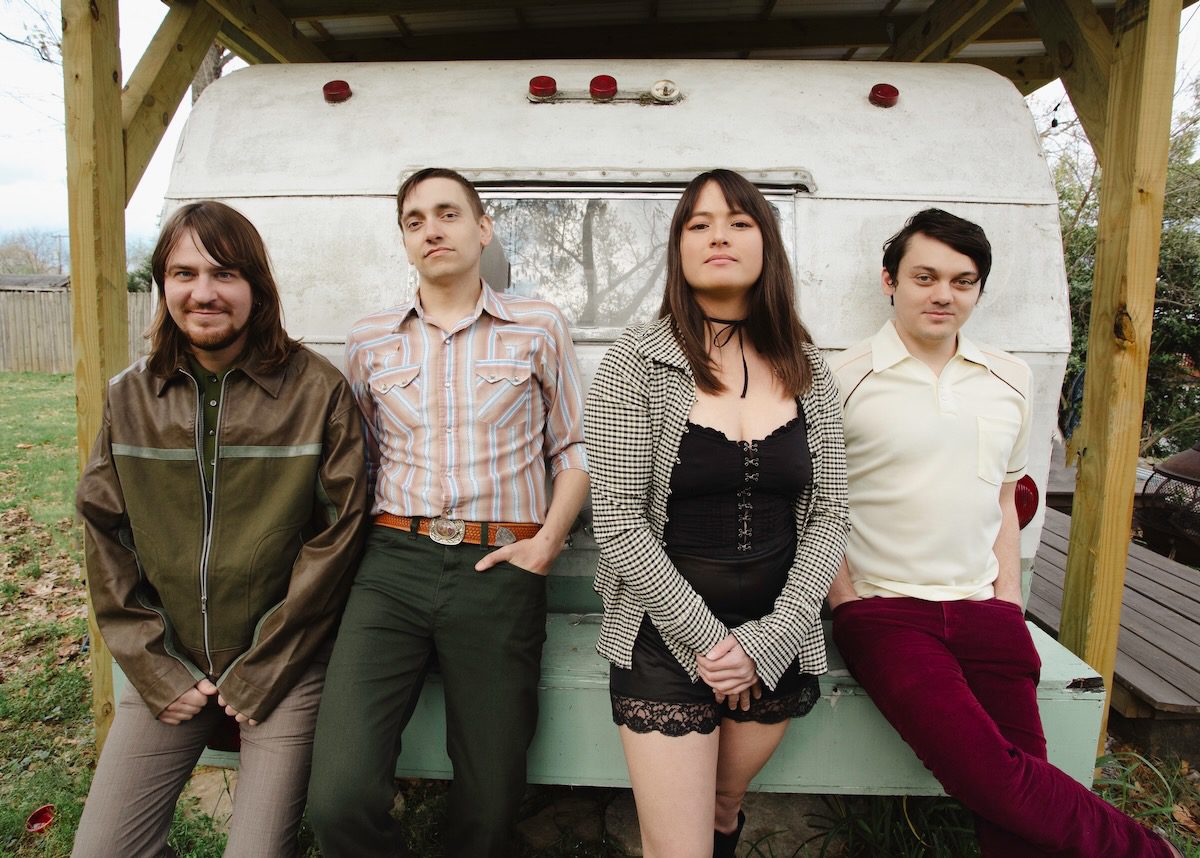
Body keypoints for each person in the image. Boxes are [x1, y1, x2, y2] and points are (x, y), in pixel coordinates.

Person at [827, 208, 1182, 858]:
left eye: (962, 281)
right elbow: (818, 503)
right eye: (925, 276)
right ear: (890, 280)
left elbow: (1004, 493)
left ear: (978, 291)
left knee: (1016, 816)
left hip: (986, 612)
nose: (943, 294)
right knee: (988, 775)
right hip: (886, 614)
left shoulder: (1009, 378)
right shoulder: (840, 378)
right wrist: (846, 600)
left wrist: (1009, 597)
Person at [73, 201, 369, 857]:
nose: (203, 292)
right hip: (171, 659)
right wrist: (155, 667)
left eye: (224, 273)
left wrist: (264, 665)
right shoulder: (130, 396)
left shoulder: (316, 389)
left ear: (256, 288)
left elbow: (340, 537)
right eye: (183, 273)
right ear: (164, 285)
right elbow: (104, 533)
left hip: (281, 666)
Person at [308, 167, 590, 858]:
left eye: (447, 213)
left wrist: (548, 542)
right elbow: (361, 462)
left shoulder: (538, 326)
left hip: (500, 568)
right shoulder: (370, 340)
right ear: (404, 241)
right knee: (337, 797)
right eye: (414, 220)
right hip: (390, 567)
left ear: (482, 227)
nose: (431, 229)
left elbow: (575, 447)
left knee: (490, 806)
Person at [584, 169, 849, 858]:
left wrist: (772, 637)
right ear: (678, 249)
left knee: (724, 809)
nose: (718, 237)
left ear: (767, 243)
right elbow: (614, 519)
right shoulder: (634, 365)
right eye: (698, 225)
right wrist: (707, 642)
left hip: (778, 635)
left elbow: (829, 513)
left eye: (737, 221)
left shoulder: (809, 368)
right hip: (665, 640)